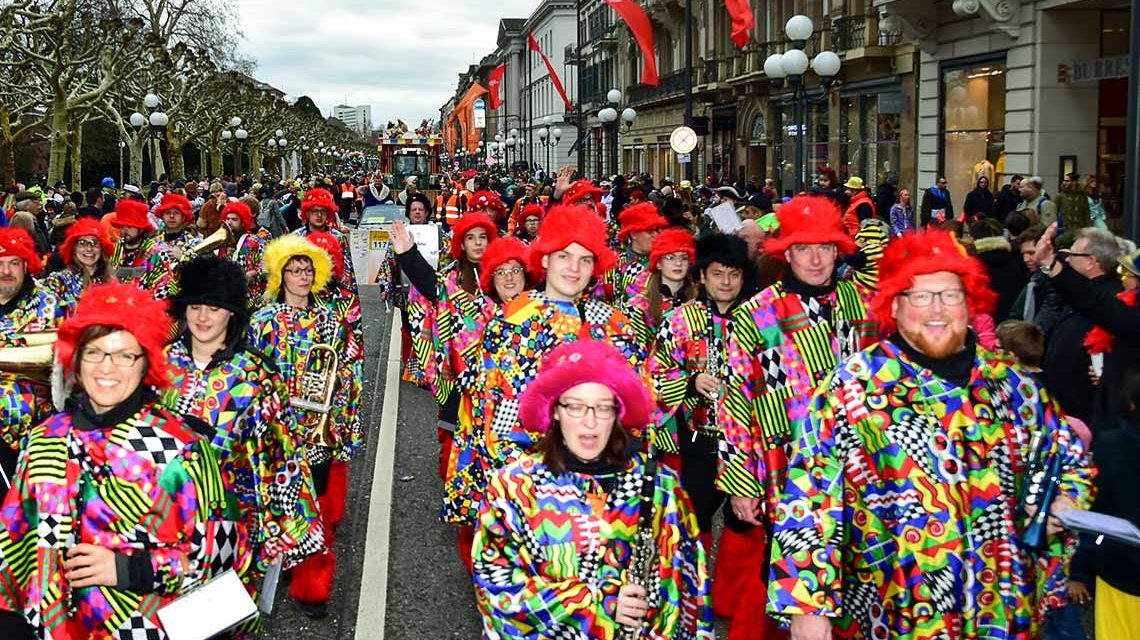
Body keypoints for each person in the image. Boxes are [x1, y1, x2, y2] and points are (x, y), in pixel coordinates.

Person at [768, 228, 1094, 640]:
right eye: (920, 296)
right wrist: (807, 604)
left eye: (950, 295)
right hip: (895, 606)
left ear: (969, 303)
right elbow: (809, 498)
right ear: (896, 306)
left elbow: (1068, 458)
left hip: (1000, 603)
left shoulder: (1013, 385)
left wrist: (1063, 502)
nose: (936, 308)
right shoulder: (850, 388)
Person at [0, 282, 252, 640]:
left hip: (152, 629)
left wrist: (128, 569)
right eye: (95, 353)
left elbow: (226, 559)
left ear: (145, 363)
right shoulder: (43, 440)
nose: (107, 368)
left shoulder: (183, 450)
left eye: (124, 355)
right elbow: (13, 547)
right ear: (76, 357)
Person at [472, 340, 714, 639]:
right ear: (556, 410)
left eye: (603, 408)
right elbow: (496, 589)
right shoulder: (512, 487)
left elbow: (689, 590)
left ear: (618, 412)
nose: (590, 422)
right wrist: (598, 604)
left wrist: (649, 604)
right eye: (575, 406)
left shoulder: (662, 487)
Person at [163, 255, 324, 611]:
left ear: (232, 313)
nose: (203, 318)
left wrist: (290, 527)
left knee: (217, 618)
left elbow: (283, 454)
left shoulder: (256, 375)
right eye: (196, 307)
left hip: (232, 521)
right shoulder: (158, 365)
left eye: (215, 308)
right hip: (162, 519)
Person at [650, 234, 771, 639]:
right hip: (697, 439)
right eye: (717, 274)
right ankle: (692, 595)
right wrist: (688, 380)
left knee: (746, 524)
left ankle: (734, 601)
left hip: (748, 444)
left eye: (733, 274)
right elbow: (653, 375)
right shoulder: (679, 320)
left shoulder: (761, 321)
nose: (725, 282)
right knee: (694, 519)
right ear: (702, 275)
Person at [466, 205, 645, 478]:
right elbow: (493, 419)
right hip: (534, 485)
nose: (574, 268)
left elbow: (636, 405)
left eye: (585, 259)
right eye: (564, 256)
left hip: (605, 481)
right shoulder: (510, 324)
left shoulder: (614, 324)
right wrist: (529, 484)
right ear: (546, 259)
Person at [246, 235, 355, 618]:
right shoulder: (261, 322)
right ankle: (284, 565)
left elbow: (349, 369)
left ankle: (313, 586)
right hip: (276, 430)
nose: (302, 276)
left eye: (308, 269)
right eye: (294, 270)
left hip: (317, 431)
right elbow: (248, 375)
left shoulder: (330, 319)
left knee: (317, 508)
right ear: (280, 275)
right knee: (277, 506)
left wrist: (342, 418)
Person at [1070, 371, 1140, 639]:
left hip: (1120, 566)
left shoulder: (1112, 446)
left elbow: (1096, 511)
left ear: (1131, 404)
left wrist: (1078, 569)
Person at [0, 227, 67, 483]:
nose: (6, 271)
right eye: (0, 263)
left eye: (14, 263)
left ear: (26, 266)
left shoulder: (51, 306)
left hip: (36, 425)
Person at [1042, 228, 1123, 424]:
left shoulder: (1110, 300)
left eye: (1073, 255)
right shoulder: (1082, 294)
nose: (1068, 260)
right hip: (1066, 408)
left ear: (1091, 261)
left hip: (1088, 411)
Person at [626, 227, 697, 350]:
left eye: (683, 258)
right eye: (670, 257)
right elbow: (634, 353)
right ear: (658, 263)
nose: (678, 263)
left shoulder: (701, 302)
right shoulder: (637, 307)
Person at [594, 202, 668, 310]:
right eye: (649, 231)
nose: (655, 235)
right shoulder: (615, 264)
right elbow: (599, 299)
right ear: (633, 234)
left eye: (656, 230)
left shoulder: (665, 263)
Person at [40, 218, 115, 314]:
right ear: (73, 249)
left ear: (102, 249)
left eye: (94, 243)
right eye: (82, 243)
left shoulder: (111, 281)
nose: (89, 249)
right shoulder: (59, 282)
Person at [109, 198, 172, 292]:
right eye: (122, 226)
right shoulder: (114, 249)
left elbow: (165, 287)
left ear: (141, 228)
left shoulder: (155, 253)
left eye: (130, 227)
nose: (125, 231)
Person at [969, 220, 1027, 322]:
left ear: (973, 238)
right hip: (1012, 322)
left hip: (984, 325)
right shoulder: (1014, 260)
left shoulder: (974, 266)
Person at [216, 199, 267, 306]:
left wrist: (253, 273)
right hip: (226, 298)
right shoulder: (222, 243)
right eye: (227, 219)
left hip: (249, 299)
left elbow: (266, 265)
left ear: (243, 222)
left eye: (234, 219)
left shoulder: (255, 241)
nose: (229, 222)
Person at [154, 192, 201, 258]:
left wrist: (184, 257)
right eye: (168, 213)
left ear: (184, 217)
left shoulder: (195, 242)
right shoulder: (154, 243)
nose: (172, 216)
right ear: (162, 216)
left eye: (176, 213)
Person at [1056, 172, 1092, 238]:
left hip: (1080, 230)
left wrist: (1088, 228)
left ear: (1074, 182)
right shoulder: (1060, 196)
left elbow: (1086, 212)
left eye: (1067, 181)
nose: (1064, 183)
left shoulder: (1082, 196)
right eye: (1064, 181)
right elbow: (1055, 212)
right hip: (1065, 230)